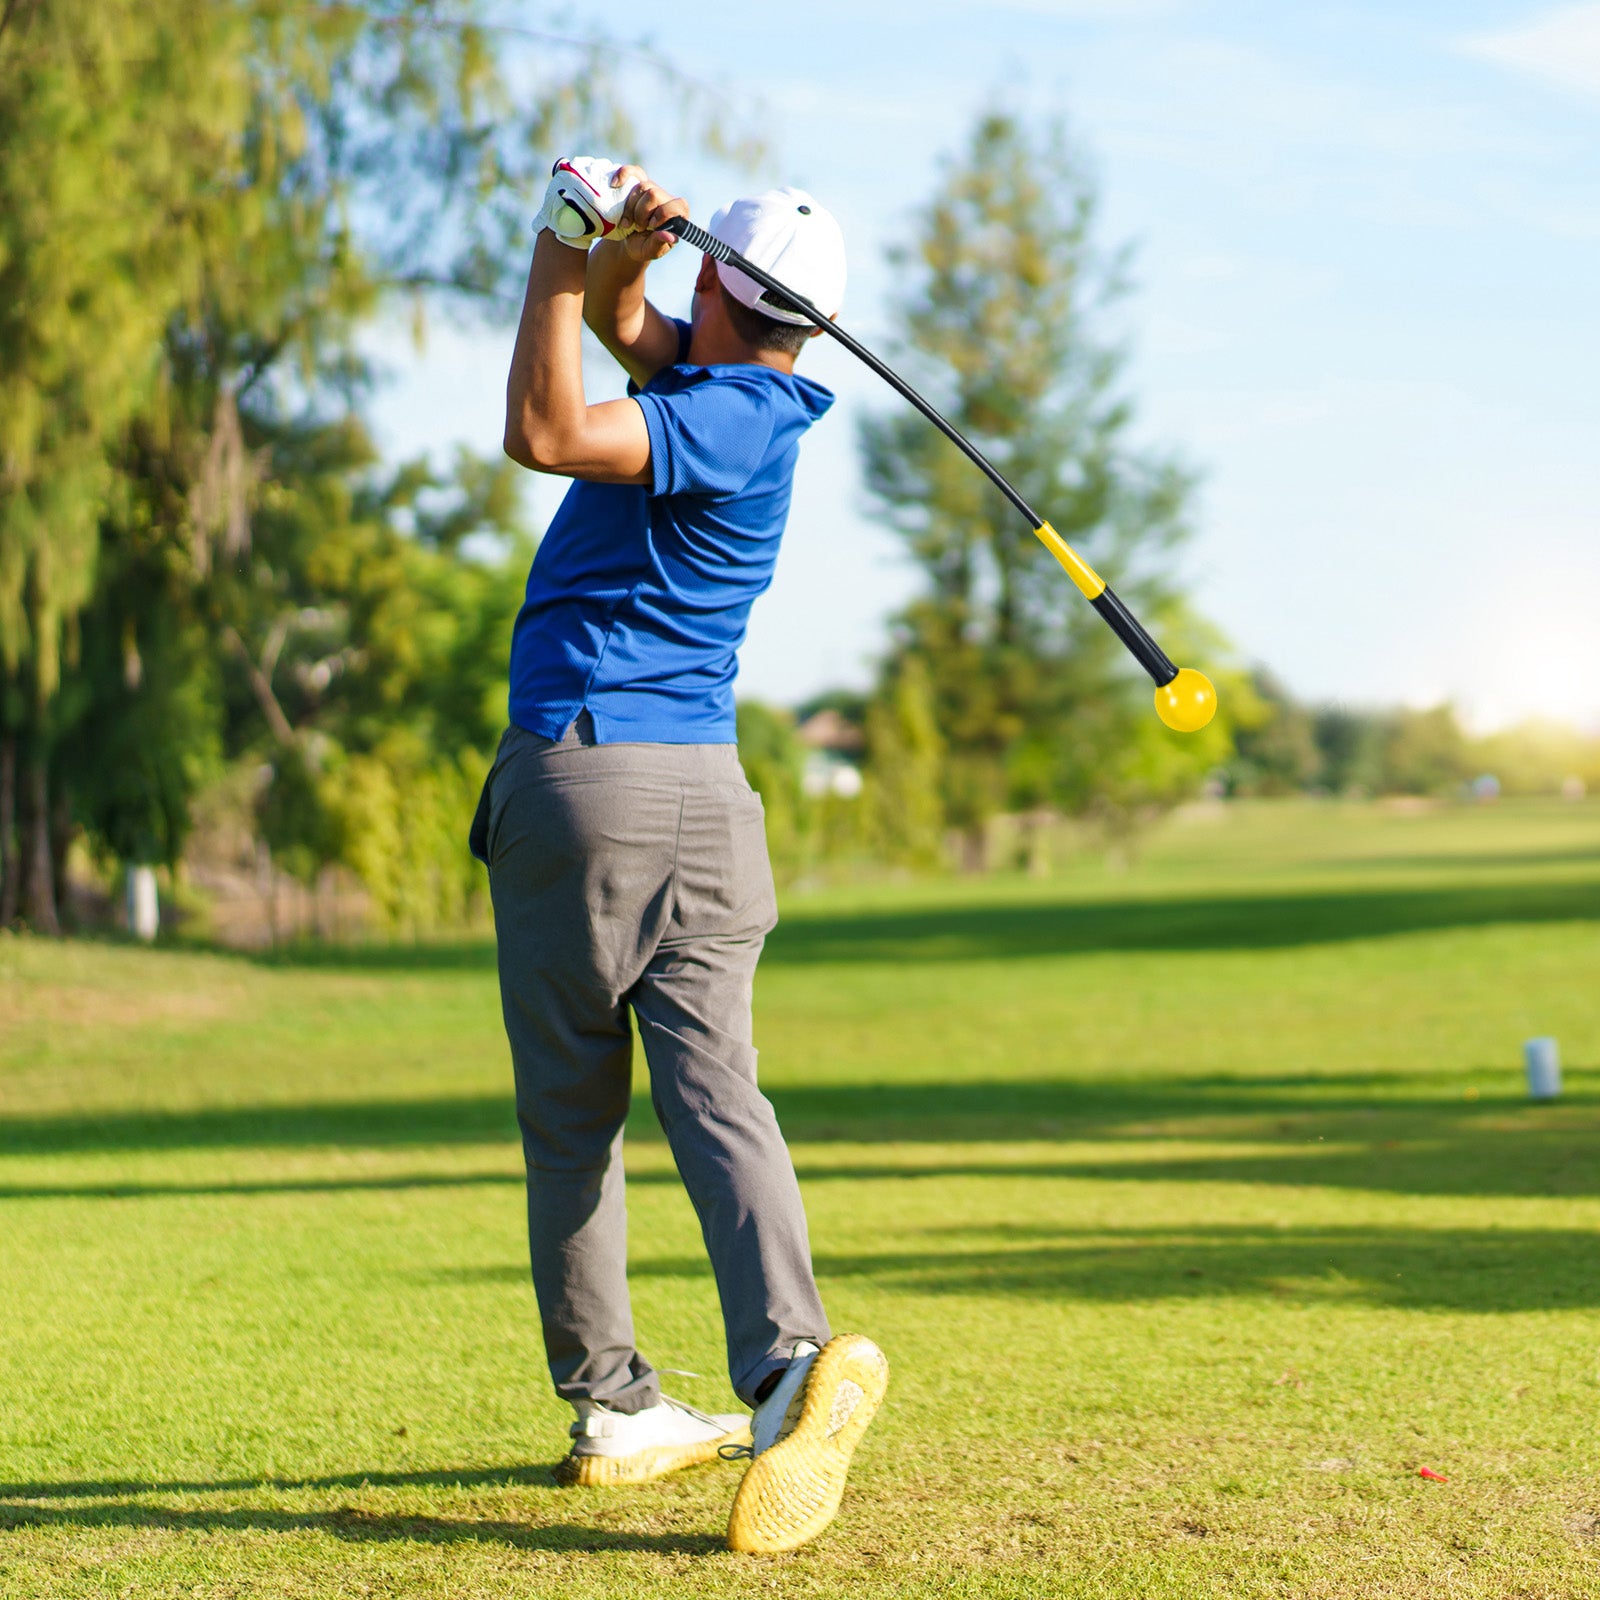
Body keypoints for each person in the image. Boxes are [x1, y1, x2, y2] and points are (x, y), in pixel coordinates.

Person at [472, 156, 887, 1556]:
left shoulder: (710, 418)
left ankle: (615, 1405)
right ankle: (782, 1372)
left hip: (592, 779)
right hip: (710, 801)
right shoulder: (760, 399)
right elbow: (626, 332)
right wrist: (625, 259)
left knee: (573, 1124)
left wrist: (554, 243)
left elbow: (541, 428)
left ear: (726, 288)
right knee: (719, 1097)